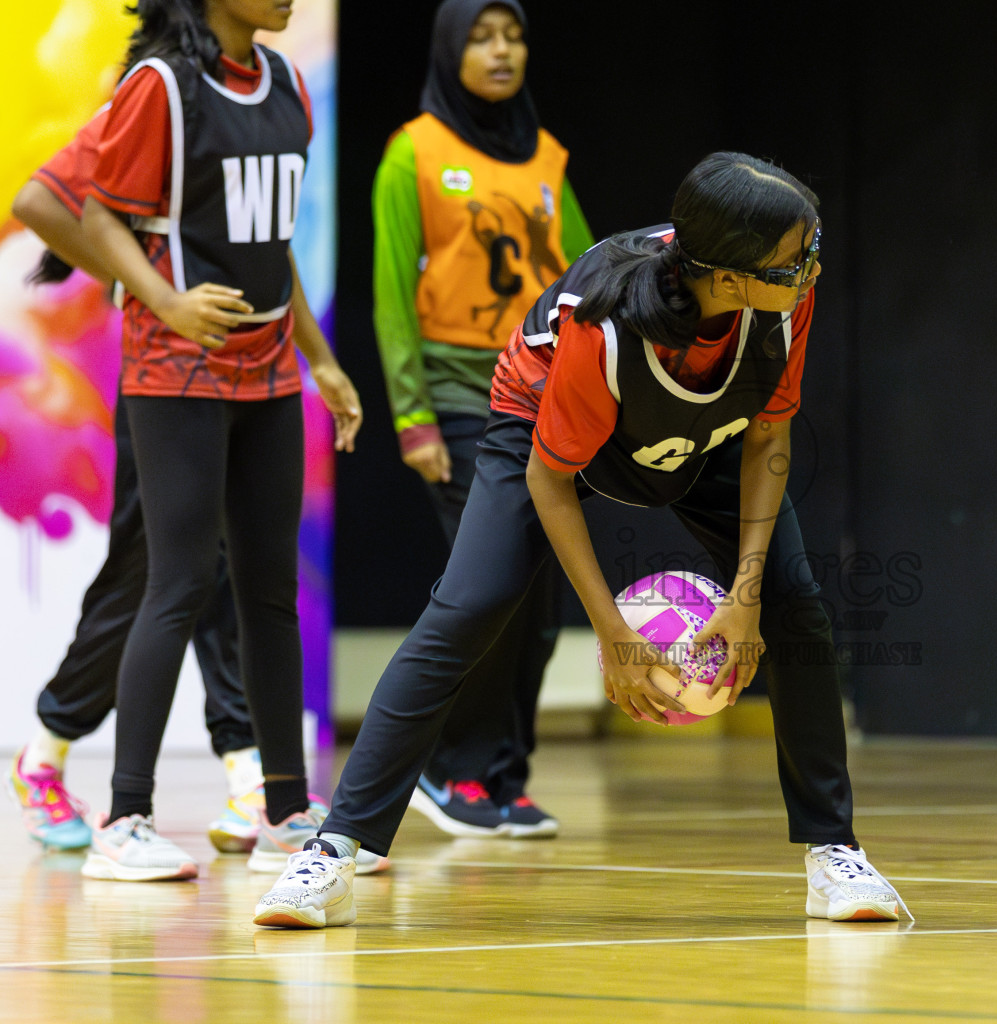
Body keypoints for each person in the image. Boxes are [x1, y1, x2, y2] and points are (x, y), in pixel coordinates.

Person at [253, 152, 910, 929]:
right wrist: (615, 635)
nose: (812, 265)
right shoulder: (606, 329)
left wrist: (745, 593)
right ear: (729, 275)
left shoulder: (783, 299)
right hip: (546, 437)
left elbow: (769, 430)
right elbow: (550, 479)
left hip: (707, 438)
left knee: (796, 605)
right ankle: (331, 853)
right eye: (795, 256)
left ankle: (834, 854)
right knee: (471, 607)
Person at [78, 0, 367, 881]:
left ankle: (285, 808)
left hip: (272, 370)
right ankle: (123, 819)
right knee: (179, 582)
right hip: (176, 372)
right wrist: (165, 302)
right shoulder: (162, 85)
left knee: (271, 593)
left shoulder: (285, 81)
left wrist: (322, 360)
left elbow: (266, 240)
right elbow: (91, 214)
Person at [8, 107, 268, 857]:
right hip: (160, 377)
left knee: (208, 562)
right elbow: (37, 202)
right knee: (156, 569)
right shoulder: (159, 91)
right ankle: (50, 757)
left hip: (241, 373)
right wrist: (153, 291)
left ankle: (247, 770)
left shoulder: (261, 95)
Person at [372, 0, 595, 838]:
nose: (502, 52)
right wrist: (412, 416)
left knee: (538, 598)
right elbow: (393, 292)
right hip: (460, 393)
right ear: (449, 51)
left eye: (514, 36)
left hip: (542, 392)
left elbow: (590, 268)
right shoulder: (413, 153)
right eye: (482, 37)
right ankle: (451, 769)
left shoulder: (546, 157)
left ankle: (504, 774)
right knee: (492, 585)